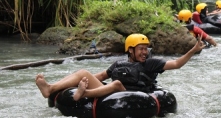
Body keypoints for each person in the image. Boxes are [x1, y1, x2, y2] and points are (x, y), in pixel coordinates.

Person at [35, 33, 206, 101]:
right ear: (130, 50)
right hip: (110, 92)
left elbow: (176, 64)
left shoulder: (151, 64)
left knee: (116, 84)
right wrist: (85, 80)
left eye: (146, 49)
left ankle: (84, 94)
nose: (144, 52)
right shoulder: (119, 64)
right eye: (141, 49)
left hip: (136, 95)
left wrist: (193, 50)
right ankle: (50, 88)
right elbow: (102, 76)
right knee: (83, 72)